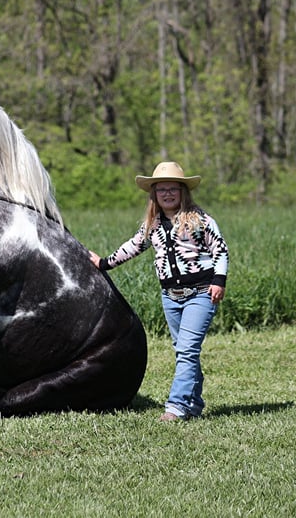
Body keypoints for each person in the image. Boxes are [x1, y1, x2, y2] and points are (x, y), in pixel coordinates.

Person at [88, 161, 229, 422]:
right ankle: (194, 404)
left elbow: (220, 250)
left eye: (173, 189)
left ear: (183, 192)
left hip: (200, 293)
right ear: (154, 194)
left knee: (187, 351)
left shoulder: (200, 220)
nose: (167, 194)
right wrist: (104, 263)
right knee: (184, 351)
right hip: (171, 297)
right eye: (161, 189)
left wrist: (219, 280)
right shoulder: (152, 224)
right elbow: (133, 246)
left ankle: (175, 407)